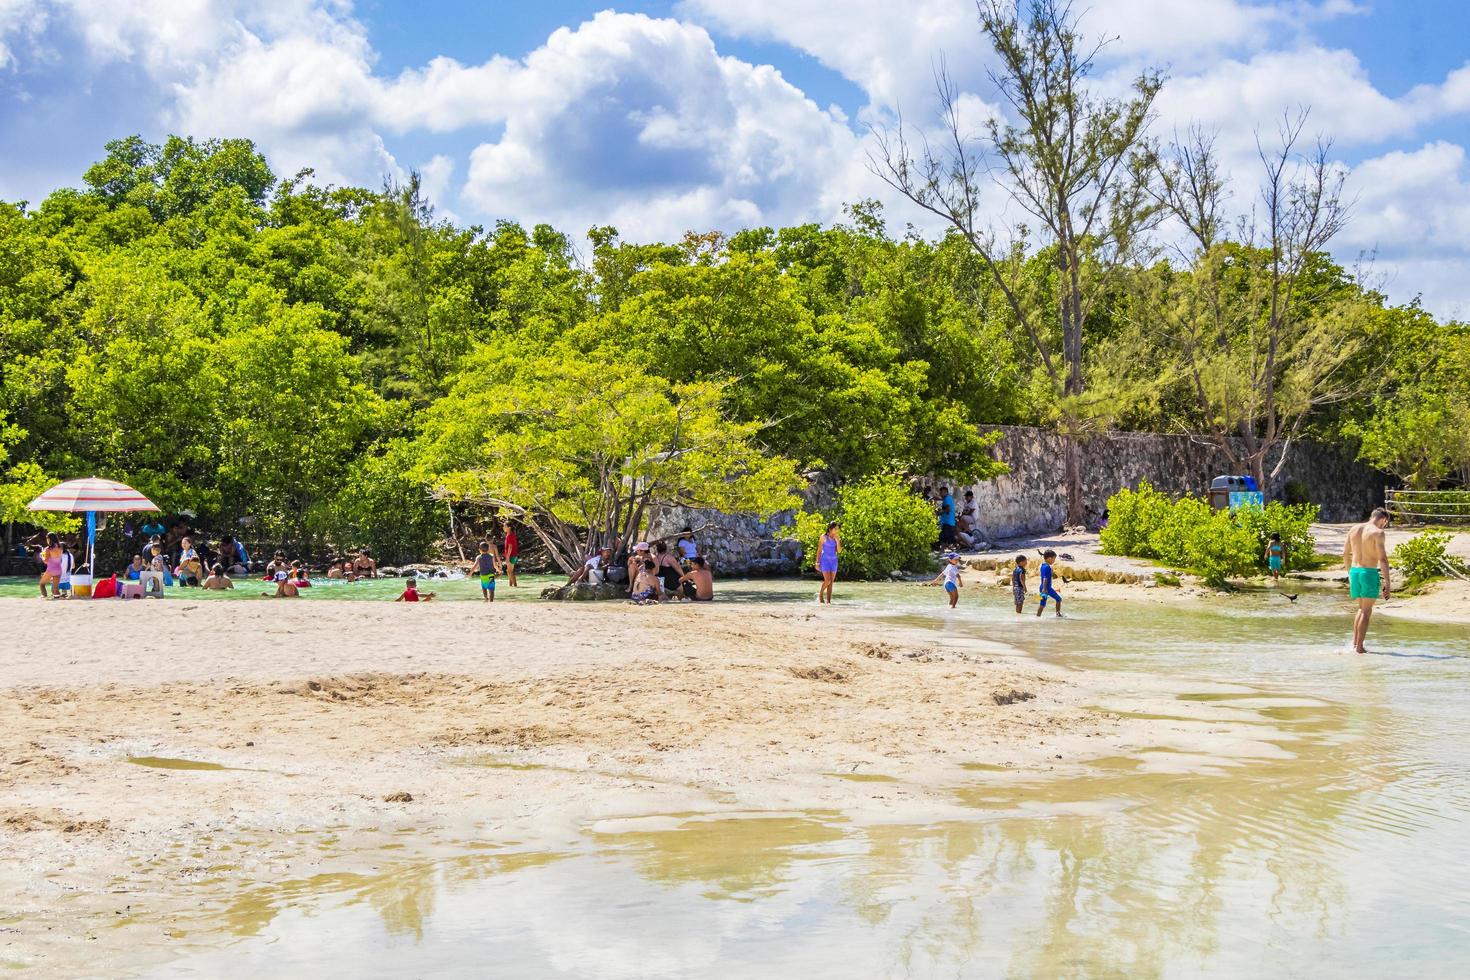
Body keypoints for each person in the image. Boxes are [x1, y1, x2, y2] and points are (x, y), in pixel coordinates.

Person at [1344, 507, 1392, 654]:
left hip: (1355, 572)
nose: (1384, 526)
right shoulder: (1378, 533)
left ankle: (1355, 644)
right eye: (1385, 523)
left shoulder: (1354, 529)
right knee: (1366, 611)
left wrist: (1349, 575)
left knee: (1360, 609)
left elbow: (1345, 554)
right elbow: (1382, 559)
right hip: (1369, 572)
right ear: (1383, 519)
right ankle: (1359, 647)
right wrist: (1388, 583)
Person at [816, 521, 841, 604]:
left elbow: (839, 551)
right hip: (825, 561)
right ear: (830, 529)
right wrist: (817, 562)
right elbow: (819, 550)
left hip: (834, 561)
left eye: (838, 529)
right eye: (835, 529)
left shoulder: (837, 538)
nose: (837, 530)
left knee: (831, 583)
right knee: (828, 580)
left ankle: (829, 602)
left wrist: (837, 541)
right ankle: (820, 594)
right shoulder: (823, 537)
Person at [1036, 549, 1063, 618]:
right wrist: (1045, 589)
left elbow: (1046, 576)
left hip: (1044, 587)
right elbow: (1045, 578)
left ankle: (1037, 617)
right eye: (1054, 559)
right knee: (1057, 599)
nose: (1054, 561)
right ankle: (1058, 614)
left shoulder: (1043, 565)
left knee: (1043, 604)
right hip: (1046, 588)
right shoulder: (1047, 567)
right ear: (1049, 558)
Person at [37, 532, 64, 599]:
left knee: (42, 584)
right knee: (56, 589)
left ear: (49, 539)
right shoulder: (60, 547)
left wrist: (41, 556)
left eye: (47, 538)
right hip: (59, 569)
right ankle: (57, 599)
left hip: (51, 569)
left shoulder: (48, 549)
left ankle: (44, 596)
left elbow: (46, 561)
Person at [501, 520, 520, 587]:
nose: (503, 527)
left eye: (504, 526)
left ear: (509, 527)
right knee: (509, 571)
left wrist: (507, 557)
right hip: (513, 555)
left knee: (510, 571)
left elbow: (510, 547)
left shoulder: (510, 536)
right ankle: (510, 585)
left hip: (511, 556)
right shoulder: (510, 535)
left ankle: (515, 586)